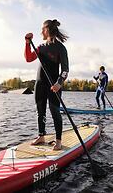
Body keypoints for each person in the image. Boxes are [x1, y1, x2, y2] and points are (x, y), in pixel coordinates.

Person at [24, 19, 69, 150]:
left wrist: (59, 83)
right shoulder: (41, 47)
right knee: (40, 110)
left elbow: (65, 70)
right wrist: (27, 44)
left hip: (53, 85)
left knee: (55, 111)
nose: (41, 32)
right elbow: (28, 58)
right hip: (40, 83)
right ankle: (41, 136)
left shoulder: (60, 48)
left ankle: (59, 140)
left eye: (43, 29)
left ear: (48, 30)